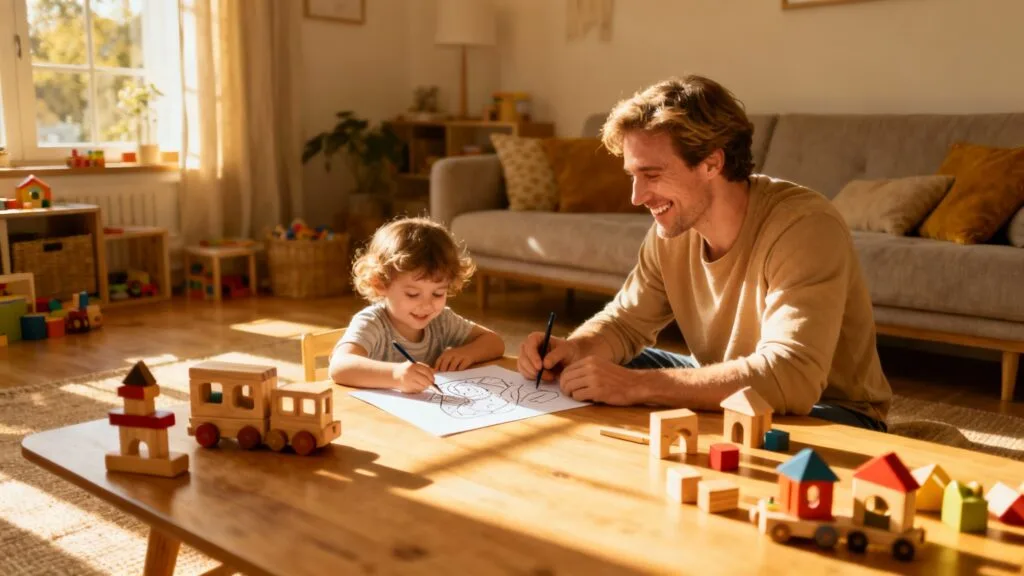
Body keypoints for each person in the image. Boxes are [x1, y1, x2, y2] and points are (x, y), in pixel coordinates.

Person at [518, 75, 892, 431]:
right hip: (737, 383)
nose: (637, 197)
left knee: (638, 386)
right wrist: (573, 350)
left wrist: (637, 387)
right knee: (594, 370)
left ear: (712, 162)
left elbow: (791, 376)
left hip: (831, 410)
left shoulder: (804, 225)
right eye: (633, 175)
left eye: (651, 174)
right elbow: (625, 323)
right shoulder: (673, 227)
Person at [331, 217, 505, 393]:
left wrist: (468, 352)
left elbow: (494, 342)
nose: (427, 305)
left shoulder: (442, 320)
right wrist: (395, 376)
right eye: (413, 294)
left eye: (438, 293)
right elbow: (340, 366)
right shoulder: (372, 322)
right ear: (380, 284)